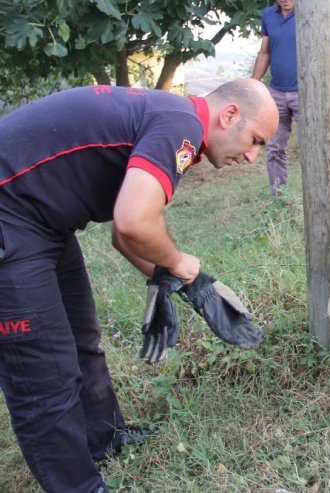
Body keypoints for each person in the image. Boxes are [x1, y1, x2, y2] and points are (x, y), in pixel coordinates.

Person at [0, 78, 278, 492]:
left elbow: (123, 234)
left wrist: (177, 279)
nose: (254, 157)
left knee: (82, 340)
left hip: (41, 223)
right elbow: (134, 221)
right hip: (11, 221)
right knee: (43, 375)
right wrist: (180, 261)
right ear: (230, 114)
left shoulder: (176, 121)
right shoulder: (180, 126)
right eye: (255, 140)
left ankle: (105, 438)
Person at [252, 0, 299, 196]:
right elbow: (265, 53)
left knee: (313, 145)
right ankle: (279, 196)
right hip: (276, 93)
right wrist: (254, 83)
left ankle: (319, 194)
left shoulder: (309, 13)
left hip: (304, 92)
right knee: (274, 148)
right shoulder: (268, 15)